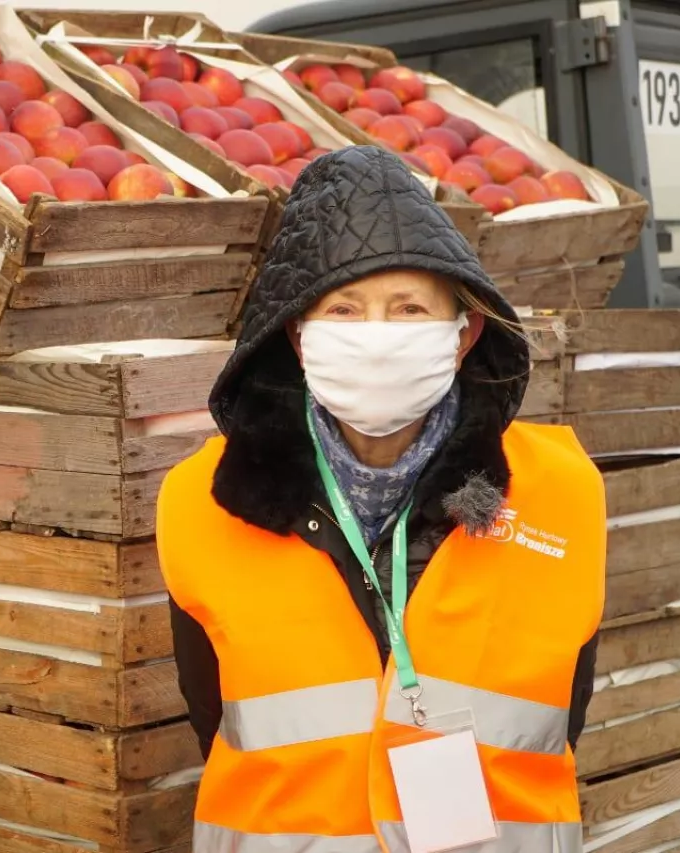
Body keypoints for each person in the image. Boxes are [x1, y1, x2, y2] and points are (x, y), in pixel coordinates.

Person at [157, 146, 605, 853]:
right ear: (299, 335)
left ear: (465, 333)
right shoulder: (202, 502)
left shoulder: (562, 495)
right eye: (345, 308)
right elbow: (214, 713)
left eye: (408, 309)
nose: (376, 337)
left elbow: (562, 712)